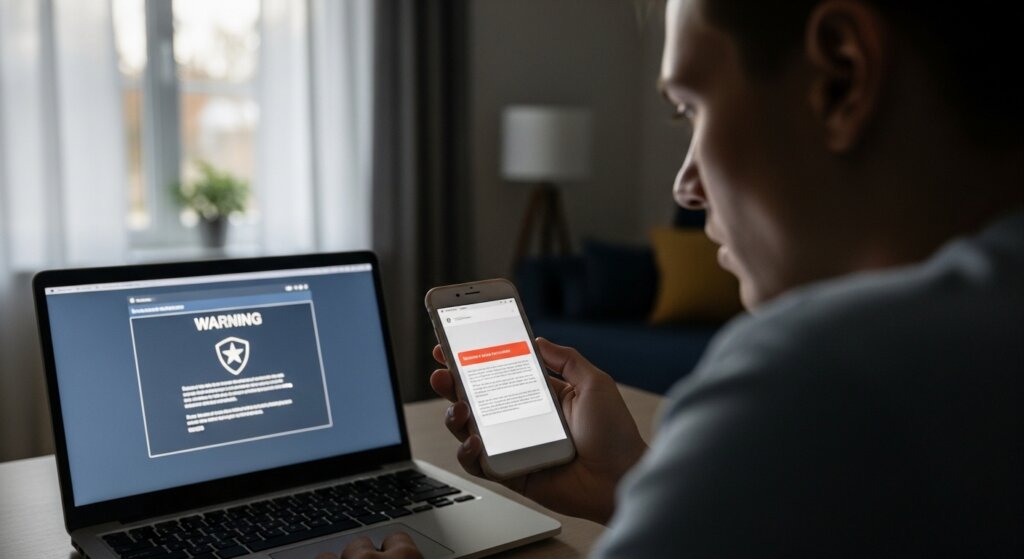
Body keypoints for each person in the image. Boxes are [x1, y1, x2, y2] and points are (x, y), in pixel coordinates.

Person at [323, 0, 1023, 556]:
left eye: (690, 107)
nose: (685, 185)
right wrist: (630, 482)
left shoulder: (815, 382)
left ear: (841, 75)